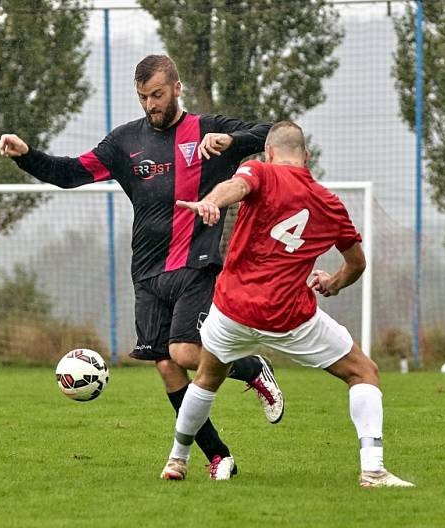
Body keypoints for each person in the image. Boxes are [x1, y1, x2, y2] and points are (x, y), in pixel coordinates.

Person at [0, 54, 284, 480]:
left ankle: (251, 366)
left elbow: (276, 134)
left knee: (184, 351)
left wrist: (232, 140)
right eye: (143, 97)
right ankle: (219, 456)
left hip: (196, 263)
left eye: (157, 94)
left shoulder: (207, 130)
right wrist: (26, 155)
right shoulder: (123, 143)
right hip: (147, 272)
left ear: (177, 88)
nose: (151, 104)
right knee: (167, 366)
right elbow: (70, 173)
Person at [161, 121, 414, 488]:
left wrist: (210, 202)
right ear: (306, 157)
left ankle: (177, 459)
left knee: (206, 378)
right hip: (288, 318)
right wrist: (333, 283)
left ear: (269, 153)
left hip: (232, 310)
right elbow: (357, 263)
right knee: (363, 372)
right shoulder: (330, 203)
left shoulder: (259, 170)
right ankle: (373, 469)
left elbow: (237, 185)